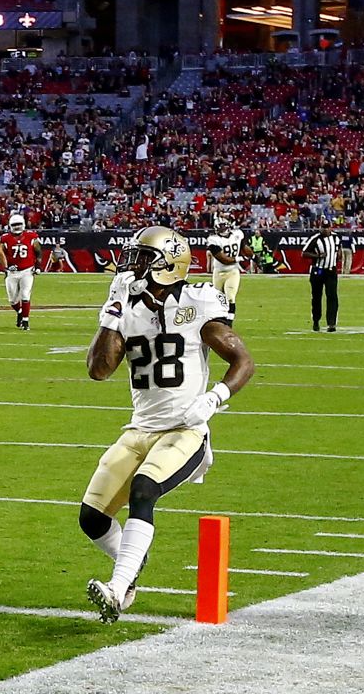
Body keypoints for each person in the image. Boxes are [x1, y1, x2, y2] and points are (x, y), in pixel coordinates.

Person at [81, 226, 255, 623]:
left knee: (144, 490)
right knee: (91, 518)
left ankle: (118, 588)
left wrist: (214, 398)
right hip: (140, 428)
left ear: (167, 264)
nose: (133, 265)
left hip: (184, 429)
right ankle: (131, 562)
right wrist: (111, 315)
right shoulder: (127, 305)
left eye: (143, 257)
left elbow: (243, 362)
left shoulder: (199, 301)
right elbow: (99, 370)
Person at [1, 214, 42, 330]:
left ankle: (25, 321)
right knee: (12, 300)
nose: (17, 227)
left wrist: (38, 266)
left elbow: (38, 251)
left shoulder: (31, 236)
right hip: (12, 272)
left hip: (27, 270)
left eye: (19, 224)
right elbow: (0, 255)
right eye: (14, 225)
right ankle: (20, 312)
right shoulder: (5, 238)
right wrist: (6, 267)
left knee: (25, 295)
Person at [302, 219, 340, 332]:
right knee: (317, 297)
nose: (326, 229)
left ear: (331, 227)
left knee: (332, 296)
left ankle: (331, 323)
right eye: (323, 227)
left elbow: (338, 250)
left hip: (331, 271)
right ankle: (316, 321)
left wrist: (338, 257)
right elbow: (304, 253)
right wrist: (317, 255)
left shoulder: (336, 238)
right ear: (320, 228)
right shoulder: (315, 239)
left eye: (327, 227)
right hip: (318, 271)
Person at [206, 217, 244, 320]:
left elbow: (244, 247)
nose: (222, 229)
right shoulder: (213, 240)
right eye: (220, 227)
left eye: (223, 226)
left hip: (232, 271)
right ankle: (219, 318)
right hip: (218, 272)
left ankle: (229, 321)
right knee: (217, 298)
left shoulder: (237, 235)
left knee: (230, 297)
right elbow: (223, 259)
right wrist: (238, 259)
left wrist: (253, 256)